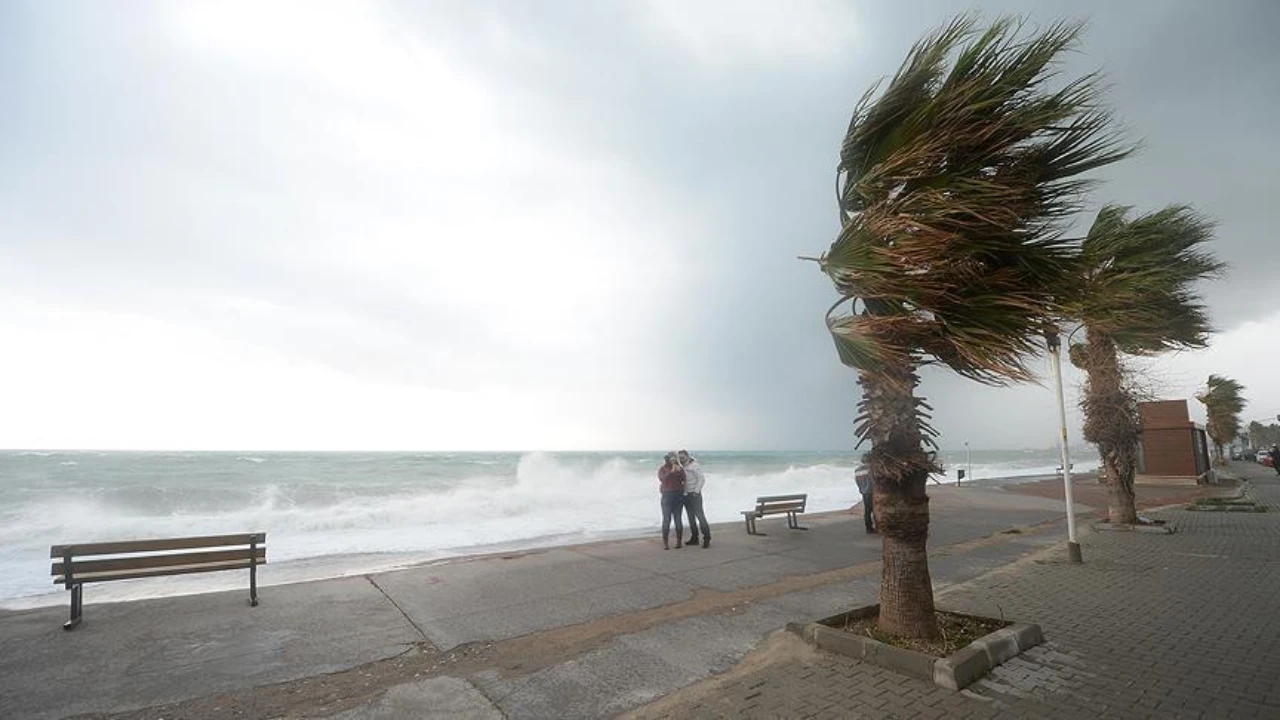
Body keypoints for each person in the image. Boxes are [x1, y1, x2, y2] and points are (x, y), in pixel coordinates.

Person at [679, 450, 710, 548]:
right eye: (680, 458)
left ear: (687, 456)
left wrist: (696, 492)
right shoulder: (682, 467)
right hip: (686, 495)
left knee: (700, 517)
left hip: (694, 495)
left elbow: (701, 479)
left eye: (683, 457)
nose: (681, 459)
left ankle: (707, 538)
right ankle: (694, 538)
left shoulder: (694, 465)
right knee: (691, 518)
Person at [658, 452, 686, 549]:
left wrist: (679, 470)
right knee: (667, 519)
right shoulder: (663, 469)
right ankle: (666, 544)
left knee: (677, 519)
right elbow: (662, 479)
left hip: (676, 495)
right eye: (673, 459)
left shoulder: (678, 468)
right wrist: (672, 472)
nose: (674, 460)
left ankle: (678, 542)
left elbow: (684, 479)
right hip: (668, 495)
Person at [855, 456, 876, 534]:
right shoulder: (871, 469)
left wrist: (860, 489)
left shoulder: (857, 470)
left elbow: (857, 482)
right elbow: (873, 480)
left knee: (867, 510)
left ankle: (868, 527)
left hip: (864, 491)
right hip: (871, 491)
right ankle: (871, 528)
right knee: (873, 510)